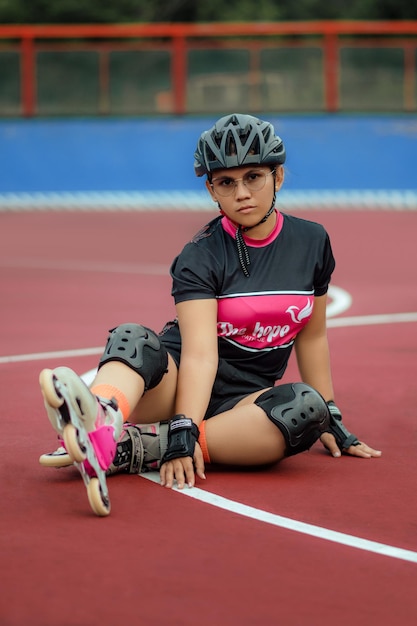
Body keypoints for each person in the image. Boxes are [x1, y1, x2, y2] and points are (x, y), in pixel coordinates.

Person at [39, 113, 381, 515]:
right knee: (132, 339)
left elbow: (312, 334)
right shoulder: (200, 254)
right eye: (226, 183)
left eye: (254, 176)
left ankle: (135, 448)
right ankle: (102, 418)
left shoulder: (313, 242)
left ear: (279, 177)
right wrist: (185, 424)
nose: (242, 193)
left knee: (307, 411)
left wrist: (332, 412)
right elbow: (201, 354)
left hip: (241, 400)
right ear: (211, 190)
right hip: (177, 380)